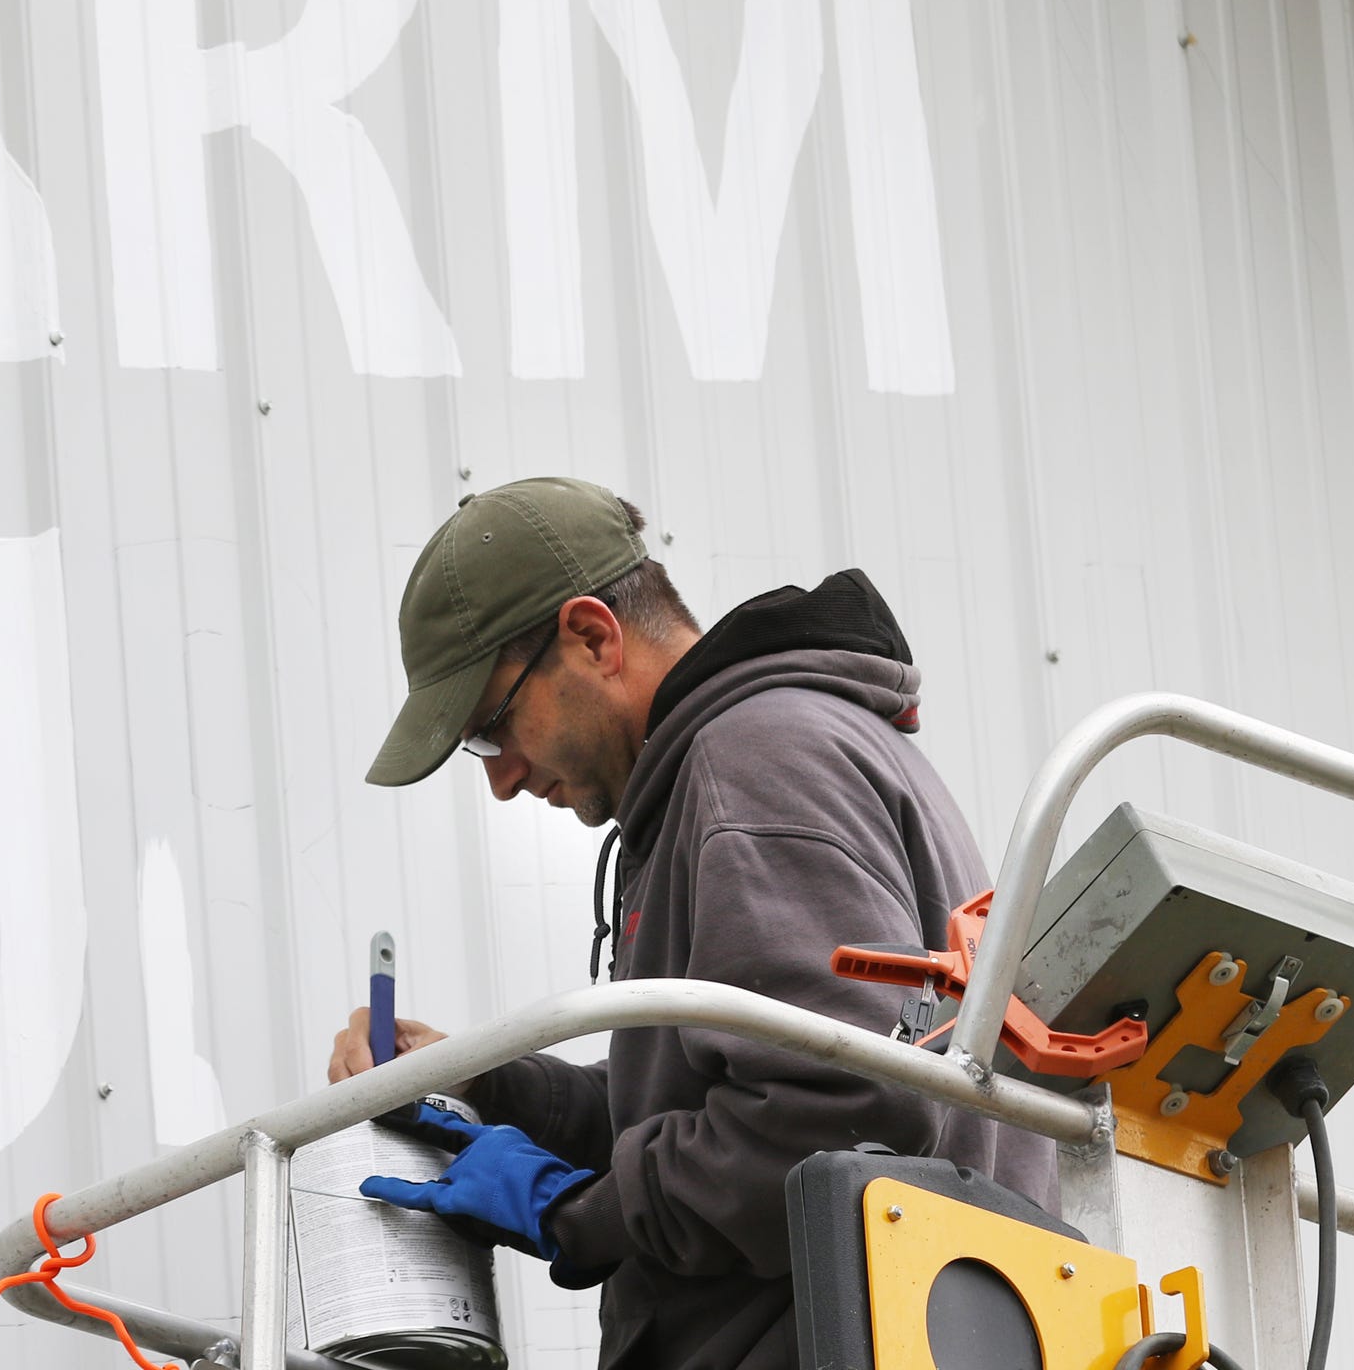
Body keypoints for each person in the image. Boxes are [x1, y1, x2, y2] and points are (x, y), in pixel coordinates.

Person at [325, 477, 1055, 1370]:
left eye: (489, 729)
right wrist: (491, 1084)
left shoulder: (751, 761)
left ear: (591, 636)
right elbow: (729, 1098)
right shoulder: (762, 755)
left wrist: (572, 1213)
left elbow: (837, 1107)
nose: (501, 778)